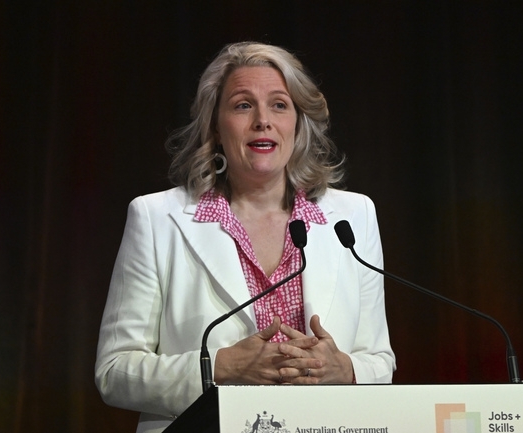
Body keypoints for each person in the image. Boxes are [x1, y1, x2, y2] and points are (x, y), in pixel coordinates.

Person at [94, 42, 396, 433]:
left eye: (279, 105)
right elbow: (115, 371)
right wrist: (222, 367)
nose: (262, 121)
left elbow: (379, 360)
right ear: (215, 127)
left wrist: (346, 370)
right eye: (242, 105)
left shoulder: (354, 216)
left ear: (297, 124)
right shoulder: (156, 219)